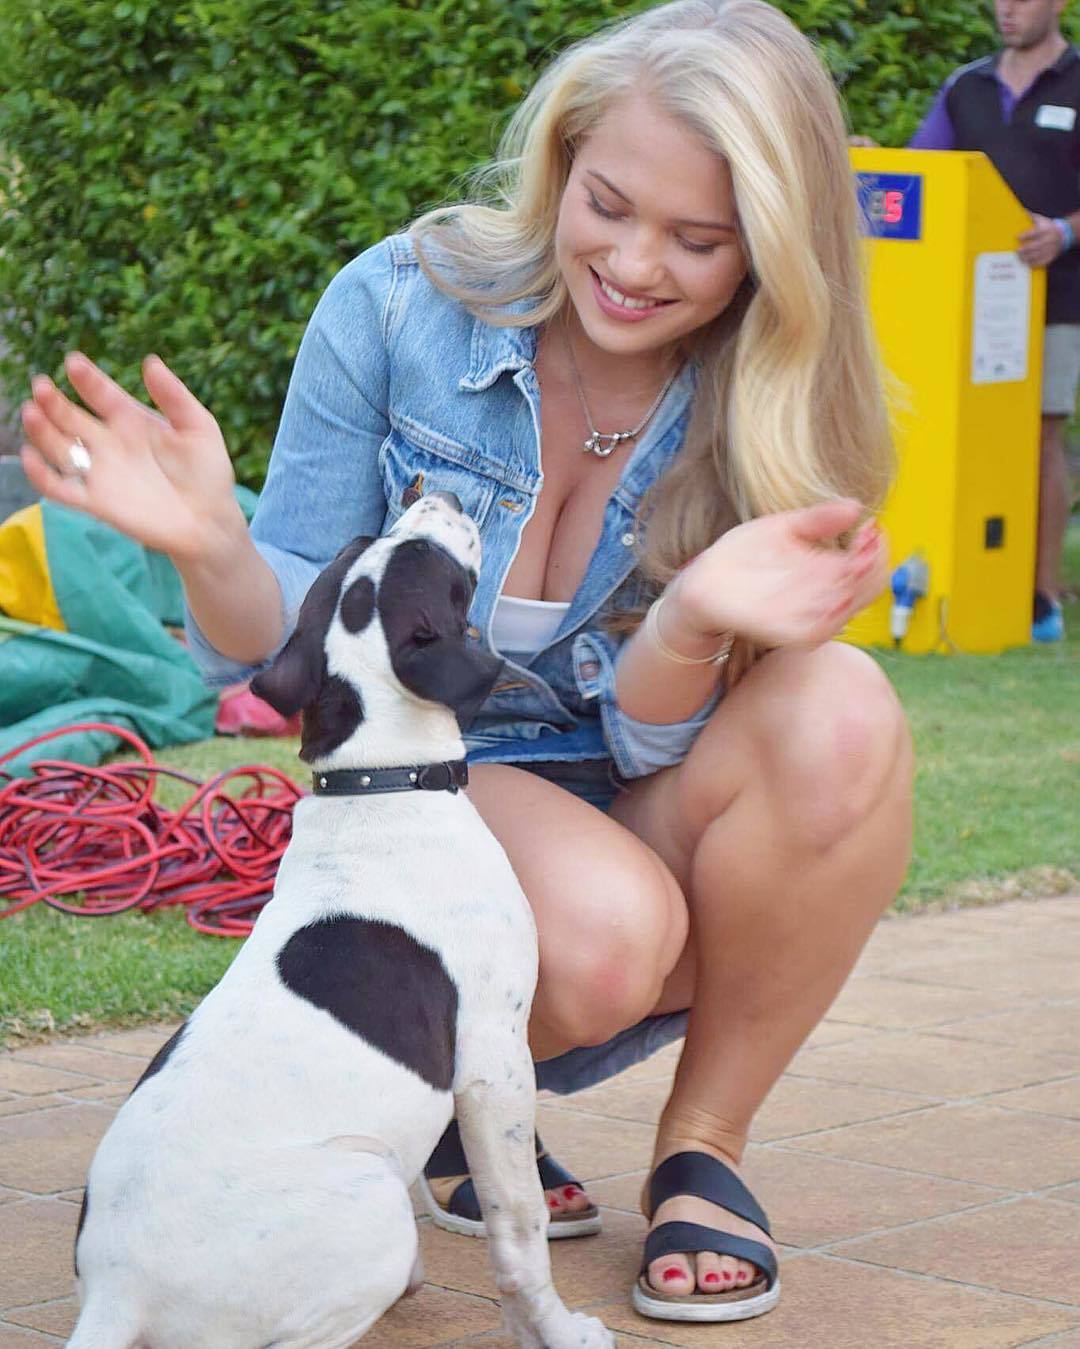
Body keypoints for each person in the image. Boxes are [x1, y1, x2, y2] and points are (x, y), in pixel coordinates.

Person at [19, 0, 912, 1324]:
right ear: (563, 159)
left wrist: (685, 625)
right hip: (426, 781)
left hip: (636, 781)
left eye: (698, 239)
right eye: (607, 204)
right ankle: (422, 1082)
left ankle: (704, 1142)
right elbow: (287, 651)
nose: (634, 263)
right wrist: (212, 543)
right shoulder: (399, 306)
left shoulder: (773, 397)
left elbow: (661, 742)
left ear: (771, 247)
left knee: (844, 710)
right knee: (610, 936)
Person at [909, 0, 1078, 641]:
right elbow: (925, 170)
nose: (1006, 8)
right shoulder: (966, 86)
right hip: (967, 299)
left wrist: (1064, 231)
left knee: (1042, 434)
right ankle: (969, 575)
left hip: (1057, 294)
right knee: (965, 430)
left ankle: (1040, 598)